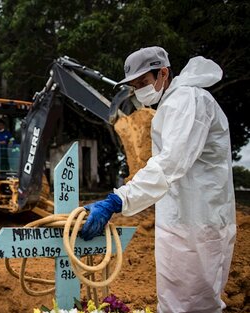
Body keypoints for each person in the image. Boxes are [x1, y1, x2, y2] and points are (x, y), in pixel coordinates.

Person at [80, 46, 236, 313]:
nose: (139, 91)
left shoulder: (187, 101)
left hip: (200, 219)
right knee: (176, 298)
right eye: (134, 85)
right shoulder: (173, 103)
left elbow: (169, 163)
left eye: (143, 83)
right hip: (182, 217)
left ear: (163, 73)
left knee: (196, 302)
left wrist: (118, 200)